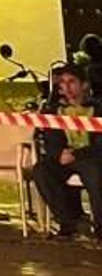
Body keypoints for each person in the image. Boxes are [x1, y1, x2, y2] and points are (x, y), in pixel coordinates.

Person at [26, 64, 100, 239]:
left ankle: (100, 228)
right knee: (42, 171)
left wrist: (77, 154)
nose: (66, 87)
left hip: (90, 156)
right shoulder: (55, 110)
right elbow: (50, 140)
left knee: (96, 175)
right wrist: (59, 153)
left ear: (84, 85)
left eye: (72, 82)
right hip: (65, 156)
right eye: (63, 83)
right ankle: (67, 223)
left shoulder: (98, 109)